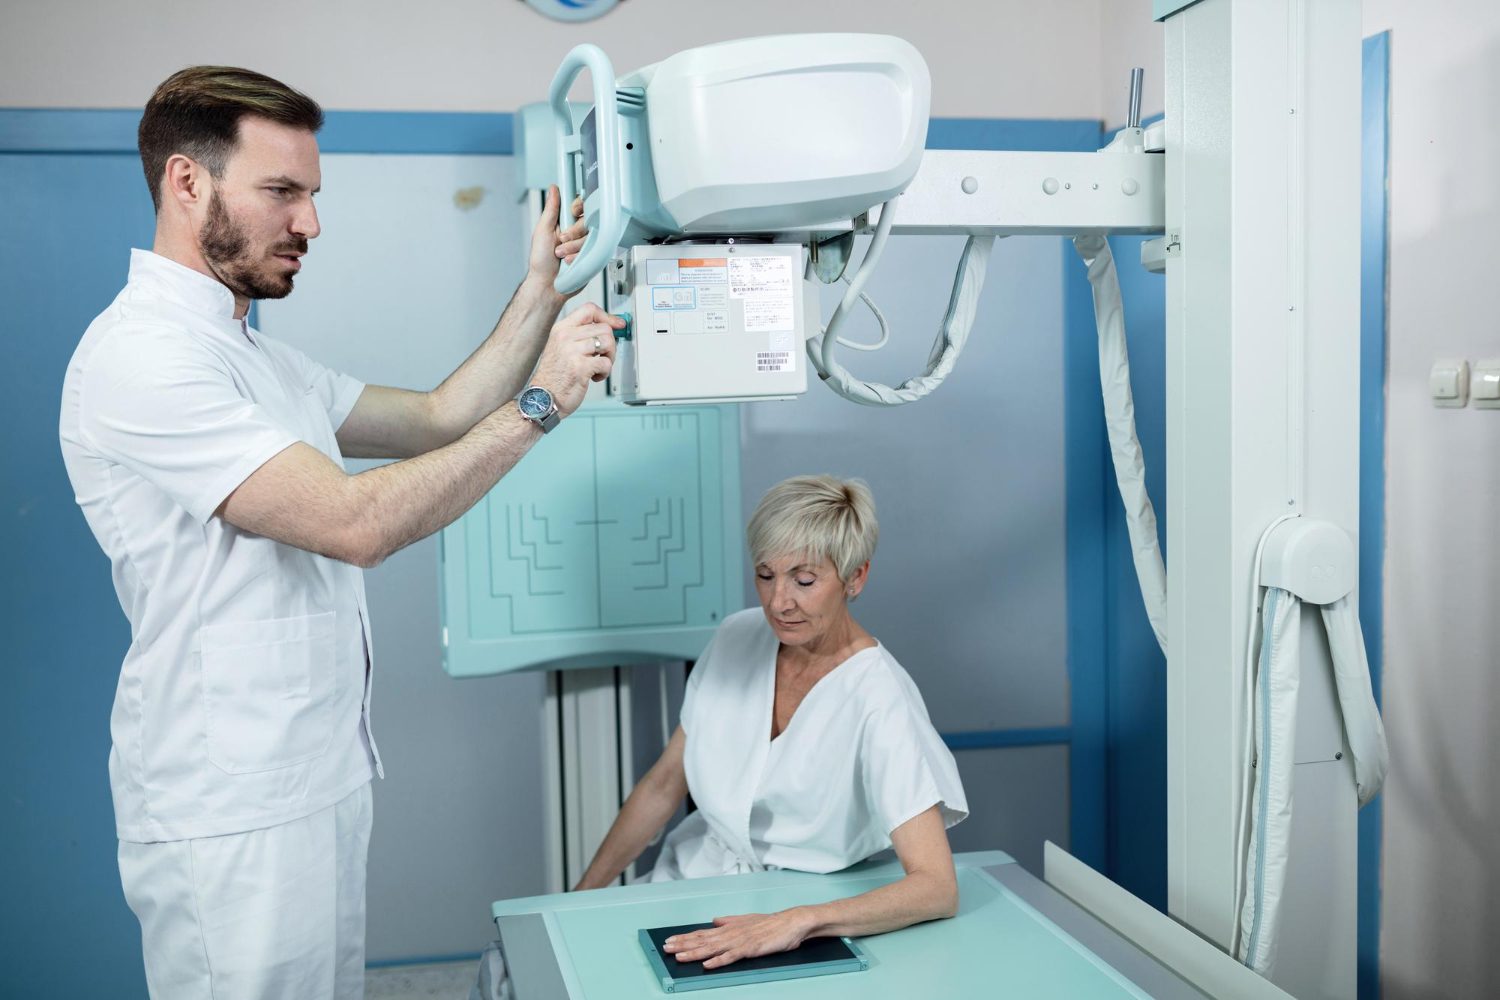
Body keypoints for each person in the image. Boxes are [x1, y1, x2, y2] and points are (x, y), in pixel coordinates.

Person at [57, 66, 622, 1000]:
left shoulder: (256, 357)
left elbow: (439, 416)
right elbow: (353, 522)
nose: (309, 225)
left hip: (315, 779)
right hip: (228, 806)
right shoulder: (142, 358)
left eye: (312, 196)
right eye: (282, 193)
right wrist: (543, 402)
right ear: (186, 183)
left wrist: (538, 294)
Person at [579, 474, 966, 968]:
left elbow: (936, 888)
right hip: (692, 880)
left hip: (805, 912)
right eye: (765, 575)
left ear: (856, 577)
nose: (779, 601)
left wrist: (797, 921)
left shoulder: (879, 696)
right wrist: (578, 898)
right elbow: (663, 785)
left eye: (804, 580)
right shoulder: (738, 636)